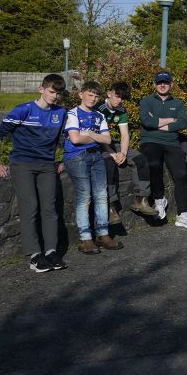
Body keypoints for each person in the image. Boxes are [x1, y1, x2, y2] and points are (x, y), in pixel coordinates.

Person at [0, 74, 69, 272]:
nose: (54, 96)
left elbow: (64, 139)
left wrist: (63, 160)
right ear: (41, 89)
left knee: (50, 208)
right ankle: (34, 255)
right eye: (51, 91)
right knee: (30, 206)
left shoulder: (61, 113)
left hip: (47, 165)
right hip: (22, 164)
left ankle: (51, 251)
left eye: (58, 93)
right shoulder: (23, 110)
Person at [63, 80, 121, 254]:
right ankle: (85, 238)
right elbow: (75, 139)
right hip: (77, 157)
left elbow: (108, 140)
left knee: (102, 195)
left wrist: (87, 133)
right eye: (90, 95)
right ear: (81, 94)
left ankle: (103, 234)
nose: (93, 98)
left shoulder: (99, 116)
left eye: (96, 96)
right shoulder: (72, 113)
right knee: (85, 197)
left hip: (96, 156)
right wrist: (94, 136)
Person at [139, 71, 187, 228]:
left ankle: (182, 215)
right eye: (159, 82)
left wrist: (156, 123)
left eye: (165, 82)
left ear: (171, 84)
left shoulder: (178, 103)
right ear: (154, 84)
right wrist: (171, 121)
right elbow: (145, 120)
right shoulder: (146, 101)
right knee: (153, 164)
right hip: (150, 141)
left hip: (172, 143)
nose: (162, 85)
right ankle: (159, 199)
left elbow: (182, 123)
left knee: (181, 174)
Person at [97, 81, 156, 220]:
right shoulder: (98, 109)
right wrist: (112, 154)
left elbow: (124, 135)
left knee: (140, 158)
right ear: (109, 93)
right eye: (117, 96)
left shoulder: (121, 111)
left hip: (112, 144)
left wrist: (123, 153)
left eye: (122, 98)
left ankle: (141, 200)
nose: (119, 100)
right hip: (96, 145)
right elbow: (98, 137)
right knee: (109, 164)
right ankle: (111, 207)